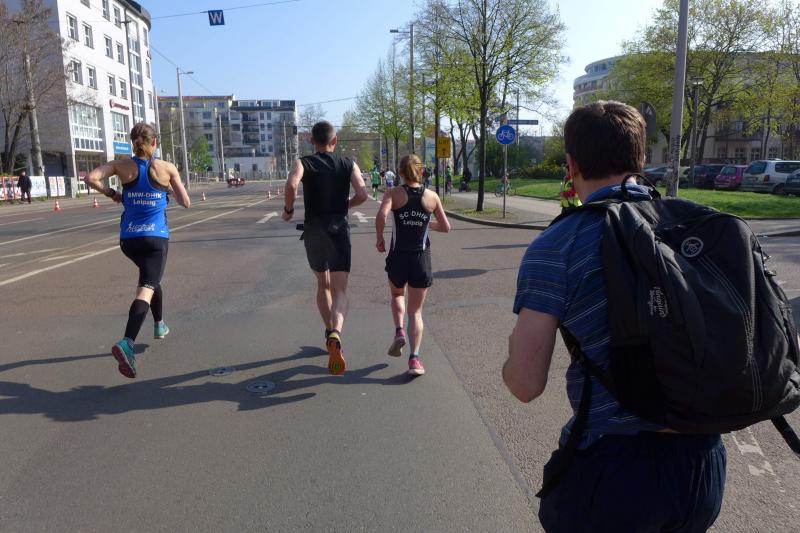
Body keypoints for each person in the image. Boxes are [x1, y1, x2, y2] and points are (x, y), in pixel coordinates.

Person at [503, 101, 726, 532]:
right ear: (640, 159)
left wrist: (513, 355)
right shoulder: (697, 224)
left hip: (615, 471)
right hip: (703, 464)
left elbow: (525, 385)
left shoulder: (557, 245)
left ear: (571, 165)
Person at [84, 123, 190, 378]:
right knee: (146, 288)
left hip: (129, 240)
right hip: (155, 239)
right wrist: (167, 189)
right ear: (154, 142)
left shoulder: (121, 166)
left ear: (133, 143)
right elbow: (185, 202)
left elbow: (90, 178)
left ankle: (159, 325)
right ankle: (127, 342)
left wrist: (111, 192)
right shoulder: (166, 168)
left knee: (151, 279)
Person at [283, 121, 367, 375]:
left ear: (312, 141)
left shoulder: (303, 163)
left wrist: (288, 210)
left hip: (314, 231)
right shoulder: (348, 164)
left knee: (323, 285)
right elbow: (362, 194)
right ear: (335, 140)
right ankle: (336, 332)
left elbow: (291, 185)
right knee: (340, 290)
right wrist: (345, 205)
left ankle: (329, 331)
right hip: (339, 230)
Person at [375, 154, 450, 376]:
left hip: (398, 256)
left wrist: (379, 239)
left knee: (397, 295)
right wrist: (426, 223)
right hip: (421, 258)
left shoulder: (393, 193)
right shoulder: (432, 197)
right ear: (421, 171)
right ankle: (414, 360)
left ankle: (399, 331)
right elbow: (446, 227)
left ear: (400, 173)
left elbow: (381, 216)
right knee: (416, 311)